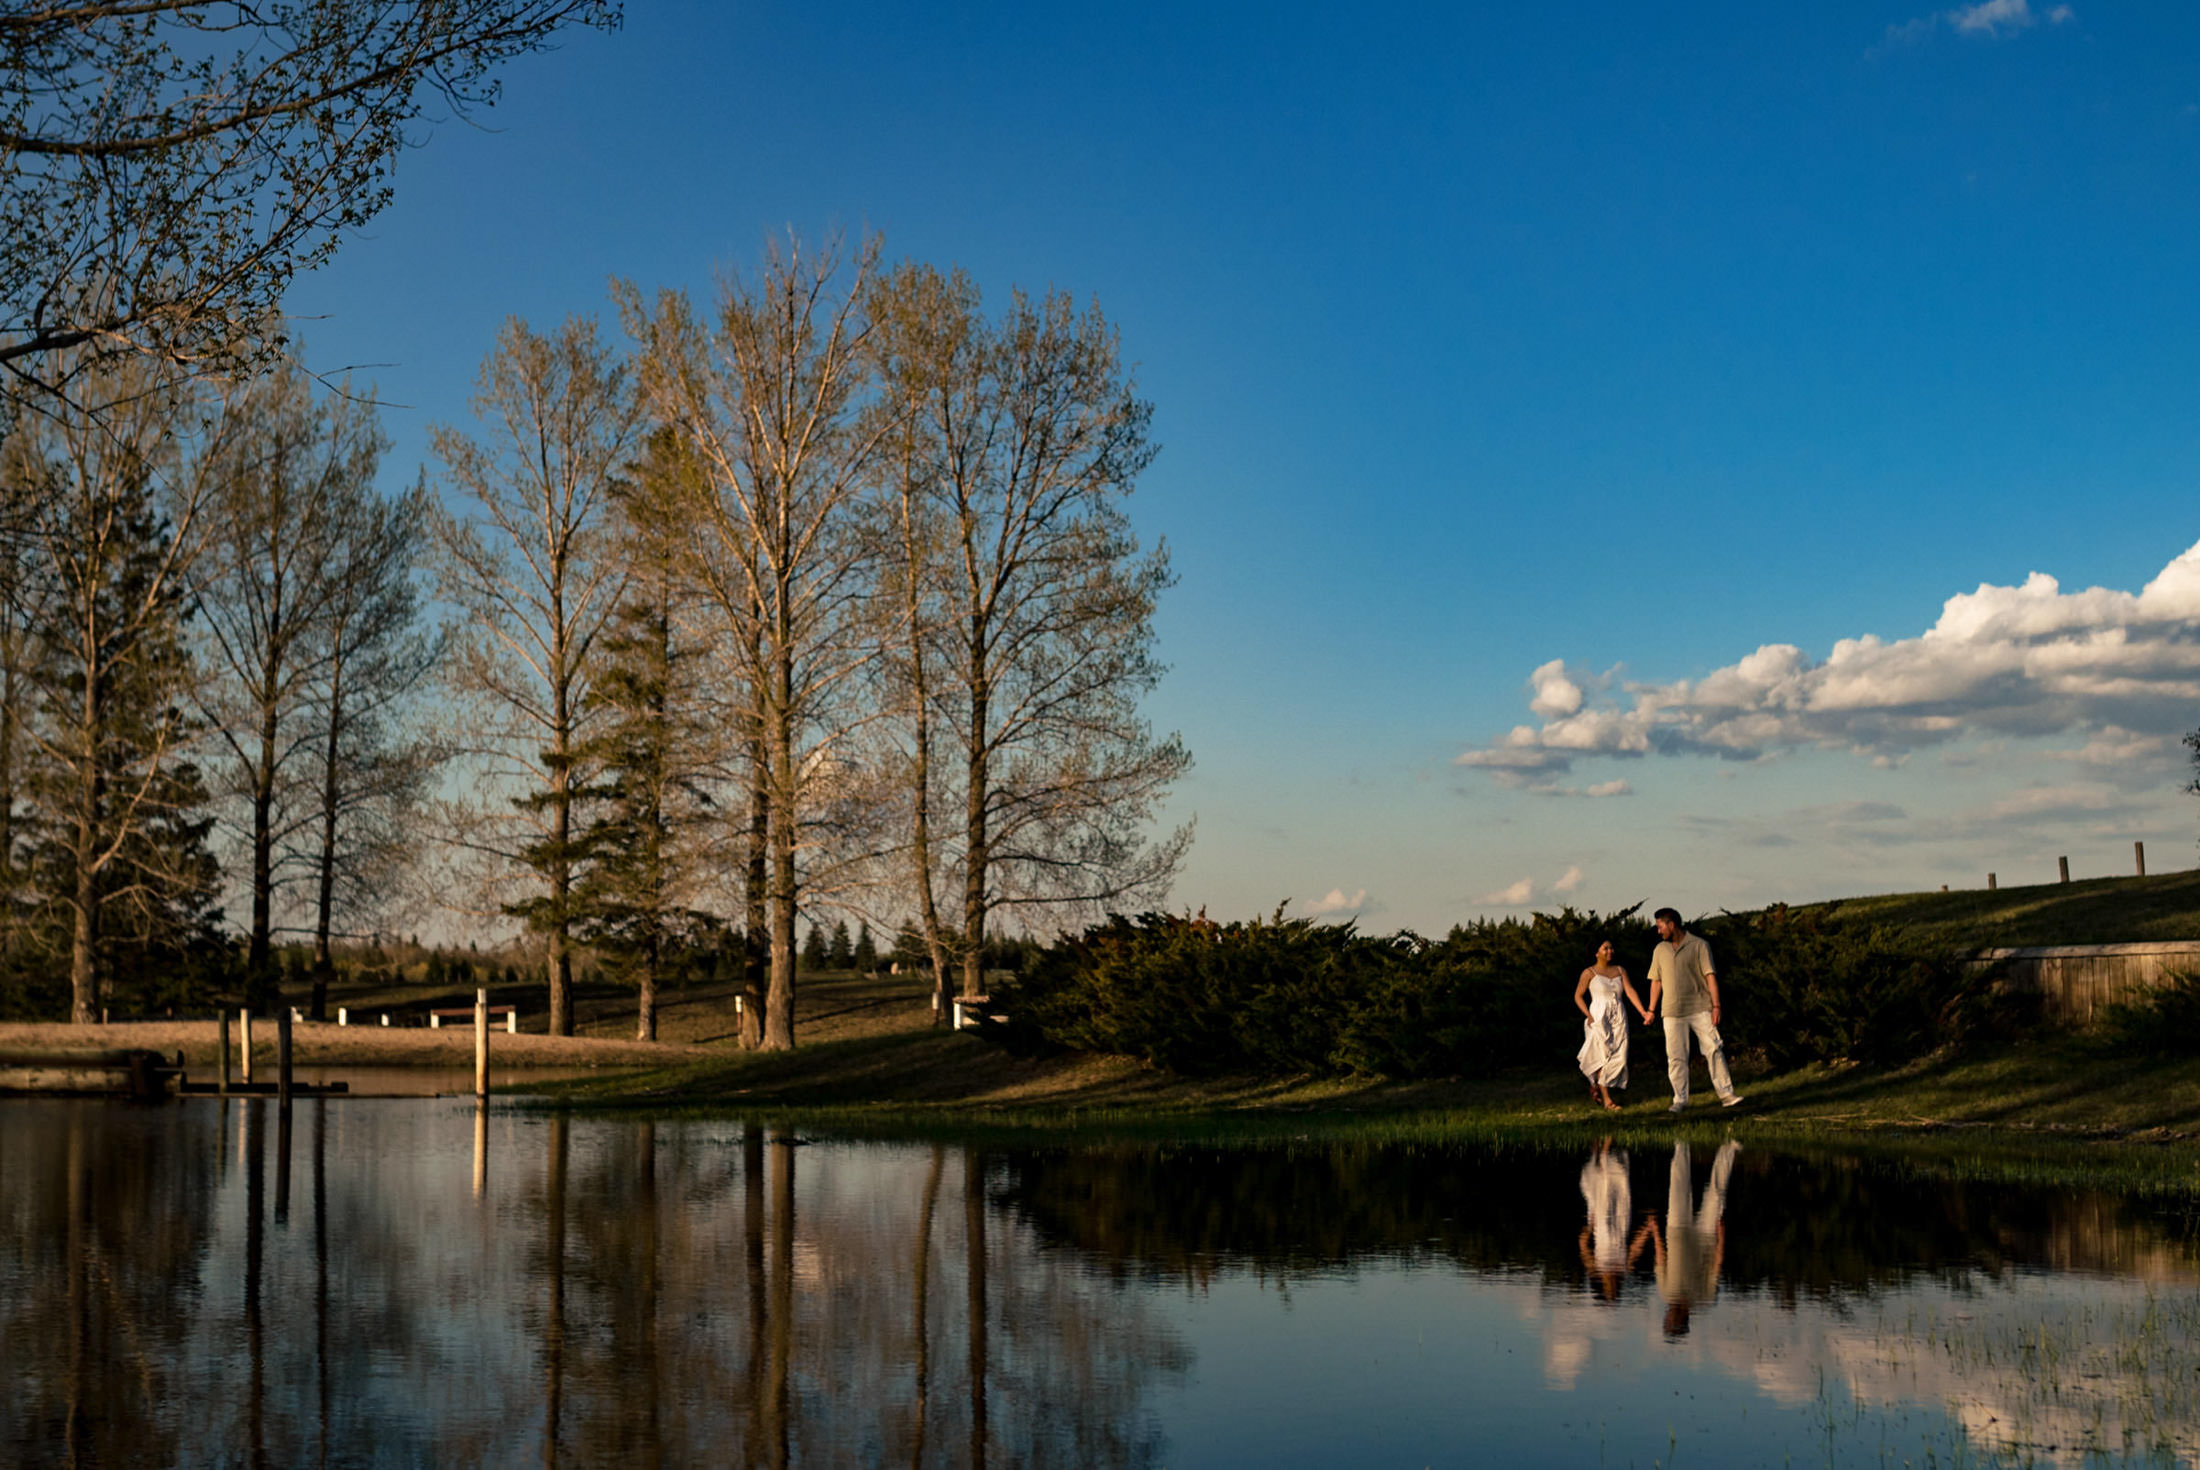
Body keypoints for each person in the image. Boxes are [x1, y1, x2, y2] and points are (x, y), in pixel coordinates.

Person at [1633, 1139, 1740, 1337]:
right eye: (1670, 1320)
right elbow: (1717, 1266)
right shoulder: (1704, 1298)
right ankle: (1728, 1147)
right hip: (1706, 1238)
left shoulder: (1666, 1293)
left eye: (1667, 1319)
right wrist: (1721, 1237)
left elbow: (1660, 1260)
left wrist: (1655, 1230)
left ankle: (1681, 1143)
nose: (1668, 1316)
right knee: (1716, 1194)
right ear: (1682, 1320)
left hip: (1676, 1231)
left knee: (1678, 1183)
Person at [1642, 907, 1742, 1112]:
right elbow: (1656, 982)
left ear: (1672, 924)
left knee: (1714, 1049)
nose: (1658, 931)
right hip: (1671, 1012)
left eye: (1660, 926)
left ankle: (1727, 1095)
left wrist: (1716, 1006)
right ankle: (1680, 1100)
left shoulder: (1699, 945)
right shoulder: (1660, 950)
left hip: (1700, 1008)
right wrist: (1651, 1010)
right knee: (1676, 1056)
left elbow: (1710, 977)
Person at [1573, 940, 1648, 1111]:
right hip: (1598, 1016)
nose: (1610, 951)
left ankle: (1596, 1085)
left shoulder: (1620, 970)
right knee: (1601, 1055)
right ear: (1596, 952)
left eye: (1611, 947)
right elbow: (1578, 996)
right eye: (1605, 948)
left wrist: (1643, 1012)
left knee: (1619, 1055)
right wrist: (1588, 1015)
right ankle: (1608, 1101)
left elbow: (1629, 991)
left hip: (1618, 1016)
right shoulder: (1589, 972)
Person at [1576, 1138, 1644, 1301]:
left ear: (1602, 1285)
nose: (1612, 1286)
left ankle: (1602, 1146)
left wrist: (1590, 1228)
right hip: (1621, 1222)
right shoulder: (1623, 1269)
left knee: (1603, 1188)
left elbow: (1583, 1245)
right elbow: (1634, 1249)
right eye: (1615, 1291)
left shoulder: (1595, 1269)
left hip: (1604, 1227)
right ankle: (1606, 1147)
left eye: (1609, 1289)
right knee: (1620, 1188)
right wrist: (1647, 1230)